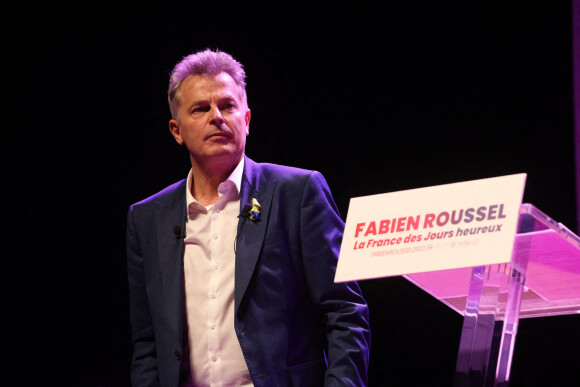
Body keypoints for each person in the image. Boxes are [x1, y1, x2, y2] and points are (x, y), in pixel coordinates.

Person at [126, 49, 371, 387]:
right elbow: (148, 343)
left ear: (247, 119)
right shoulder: (147, 218)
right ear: (176, 130)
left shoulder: (298, 193)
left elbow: (345, 313)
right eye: (200, 108)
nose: (217, 117)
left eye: (227, 106)